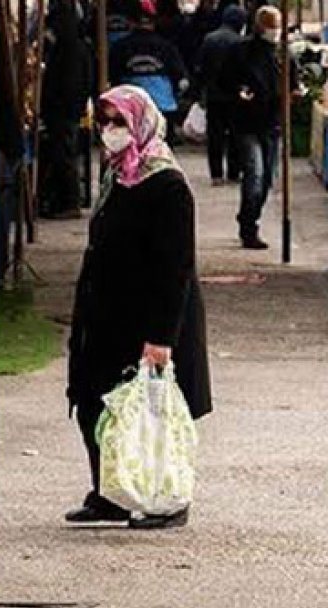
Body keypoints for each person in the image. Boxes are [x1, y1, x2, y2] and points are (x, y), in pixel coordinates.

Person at [65, 85, 212, 529]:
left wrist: (161, 338)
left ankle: (166, 499)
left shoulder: (165, 183)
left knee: (152, 413)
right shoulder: (117, 174)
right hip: (107, 313)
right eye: (104, 122)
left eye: (119, 123)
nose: (109, 132)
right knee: (98, 403)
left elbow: (175, 267)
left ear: (141, 125)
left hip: (149, 316)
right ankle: (110, 491)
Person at [220, 5, 297, 250]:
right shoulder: (241, 51)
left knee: (266, 181)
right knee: (255, 175)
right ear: (259, 26)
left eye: (277, 26)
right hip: (247, 124)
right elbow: (224, 80)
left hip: (273, 124)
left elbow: (293, 84)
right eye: (270, 26)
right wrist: (238, 92)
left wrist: (293, 94)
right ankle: (248, 226)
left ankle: (251, 218)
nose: (274, 32)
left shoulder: (285, 54)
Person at [39, 0, 92, 220]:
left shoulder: (66, 49)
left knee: (64, 154)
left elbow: (65, 83)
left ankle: (69, 202)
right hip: (69, 108)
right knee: (65, 153)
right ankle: (64, 199)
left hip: (62, 109)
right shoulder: (80, 46)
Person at [109, 0, 189, 144]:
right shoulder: (166, 47)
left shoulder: (120, 47)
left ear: (131, 22)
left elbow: (112, 78)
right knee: (162, 149)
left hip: (132, 107)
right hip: (163, 106)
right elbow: (182, 79)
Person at [195, 4, 246, 186]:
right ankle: (233, 172)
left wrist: (202, 90)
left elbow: (200, 67)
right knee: (235, 135)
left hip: (214, 95)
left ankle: (216, 174)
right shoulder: (241, 42)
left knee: (215, 135)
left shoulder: (209, 39)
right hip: (235, 96)